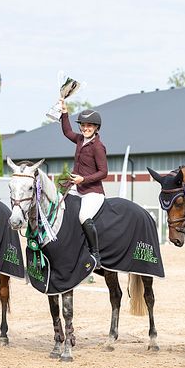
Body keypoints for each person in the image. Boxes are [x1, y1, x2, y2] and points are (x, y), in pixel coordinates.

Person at [59, 98, 108, 266]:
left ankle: (96, 254)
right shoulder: (80, 139)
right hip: (76, 187)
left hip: (93, 191)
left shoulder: (98, 146)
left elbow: (104, 172)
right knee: (58, 206)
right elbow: (66, 132)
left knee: (83, 216)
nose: (85, 128)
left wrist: (83, 179)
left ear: (96, 128)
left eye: (90, 126)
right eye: (83, 125)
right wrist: (65, 112)